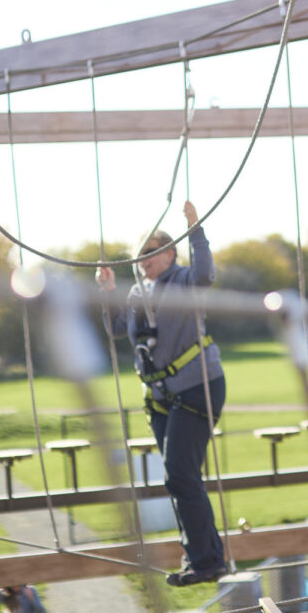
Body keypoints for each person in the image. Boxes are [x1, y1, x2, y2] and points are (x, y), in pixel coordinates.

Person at [97, 200, 228, 586]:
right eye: (140, 256)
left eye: (151, 253)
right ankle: (203, 556)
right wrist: (107, 291)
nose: (144, 261)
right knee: (180, 478)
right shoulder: (140, 293)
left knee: (179, 473)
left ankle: (206, 559)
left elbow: (206, 273)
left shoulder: (185, 281)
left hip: (196, 387)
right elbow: (117, 329)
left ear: (171, 253)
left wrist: (195, 228)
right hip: (161, 400)